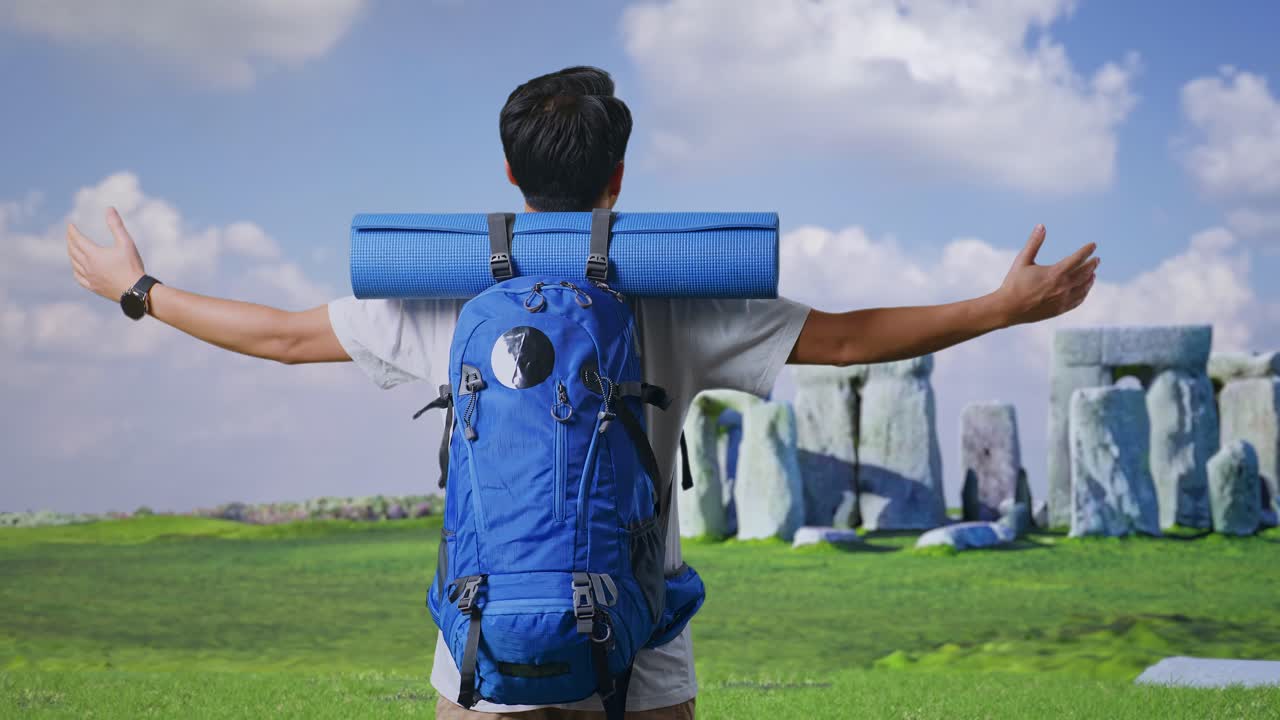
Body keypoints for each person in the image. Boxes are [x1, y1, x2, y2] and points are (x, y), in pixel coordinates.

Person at [64, 66, 1098, 719]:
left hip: (484, 639)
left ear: (510, 180)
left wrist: (138, 291)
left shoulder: (454, 297)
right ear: (618, 181)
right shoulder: (677, 298)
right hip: (640, 642)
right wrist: (1000, 307)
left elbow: (283, 338)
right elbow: (846, 338)